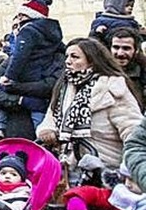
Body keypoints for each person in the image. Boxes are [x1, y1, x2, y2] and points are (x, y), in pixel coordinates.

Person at [36, 38, 142, 176]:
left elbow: (132, 130)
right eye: (67, 56)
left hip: (106, 169)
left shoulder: (112, 88)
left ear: (92, 60)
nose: (68, 61)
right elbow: (51, 117)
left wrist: (133, 166)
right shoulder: (65, 87)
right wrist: (47, 131)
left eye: (74, 57)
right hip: (69, 167)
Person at [0, 0, 66, 129]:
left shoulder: (28, 30)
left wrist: (8, 77)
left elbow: (20, 55)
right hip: (44, 79)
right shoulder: (51, 32)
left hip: (28, 78)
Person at [107, 27, 146, 109]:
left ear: (136, 50)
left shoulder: (143, 73)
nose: (120, 53)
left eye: (126, 48)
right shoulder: (101, 73)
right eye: (116, 47)